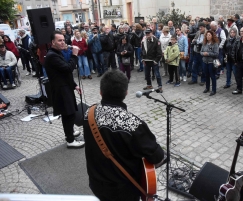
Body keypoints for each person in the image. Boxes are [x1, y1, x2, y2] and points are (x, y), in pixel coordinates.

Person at [83, 70, 164, 201]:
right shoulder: (133, 124)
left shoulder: (89, 114)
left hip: (96, 183)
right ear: (126, 93)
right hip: (124, 191)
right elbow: (157, 156)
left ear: (101, 92)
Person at [44, 30, 85, 148]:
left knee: (69, 113)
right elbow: (68, 68)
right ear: (53, 42)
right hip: (61, 90)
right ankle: (70, 140)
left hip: (66, 87)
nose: (63, 42)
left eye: (63, 40)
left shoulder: (57, 53)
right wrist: (74, 55)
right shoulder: (52, 56)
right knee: (68, 114)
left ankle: (70, 133)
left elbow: (64, 74)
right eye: (59, 40)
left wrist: (74, 85)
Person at [200, 30, 219, 96]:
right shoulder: (204, 43)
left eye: (209, 35)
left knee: (212, 76)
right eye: (207, 35)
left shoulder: (215, 44)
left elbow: (216, 54)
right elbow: (201, 52)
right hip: (205, 62)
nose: (208, 36)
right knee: (206, 75)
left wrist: (208, 53)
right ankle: (207, 88)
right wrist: (203, 53)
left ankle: (214, 90)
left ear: (212, 36)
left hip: (211, 62)